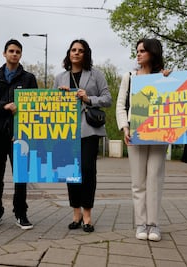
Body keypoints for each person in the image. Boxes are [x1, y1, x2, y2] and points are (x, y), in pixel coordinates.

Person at [54, 39, 112, 233]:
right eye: (73, 50)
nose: (76, 53)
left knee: (87, 170)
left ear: (86, 54)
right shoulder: (60, 77)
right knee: (71, 172)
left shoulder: (96, 75)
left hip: (89, 130)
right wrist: (60, 98)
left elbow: (107, 99)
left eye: (81, 50)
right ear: (69, 53)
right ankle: (75, 213)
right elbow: (52, 106)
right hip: (67, 131)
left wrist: (88, 98)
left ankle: (87, 214)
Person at [0, 39, 37, 230]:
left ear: (21, 55)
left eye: (18, 52)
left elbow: (34, 106)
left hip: (19, 135)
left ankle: (21, 213)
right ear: (4, 53)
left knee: (21, 176)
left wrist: (21, 129)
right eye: (11, 51)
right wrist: (3, 106)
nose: (14, 54)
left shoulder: (28, 78)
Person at [116, 38, 168, 241]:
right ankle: (140, 224)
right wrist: (124, 127)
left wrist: (168, 80)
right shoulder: (129, 77)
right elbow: (121, 105)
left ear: (153, 54)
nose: (138, 54)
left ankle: (153, 224)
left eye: (142, 51)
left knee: (154, 178)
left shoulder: (163, 76)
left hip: (159, 133)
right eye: (137, 51)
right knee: (138, 181)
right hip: (135, 133)